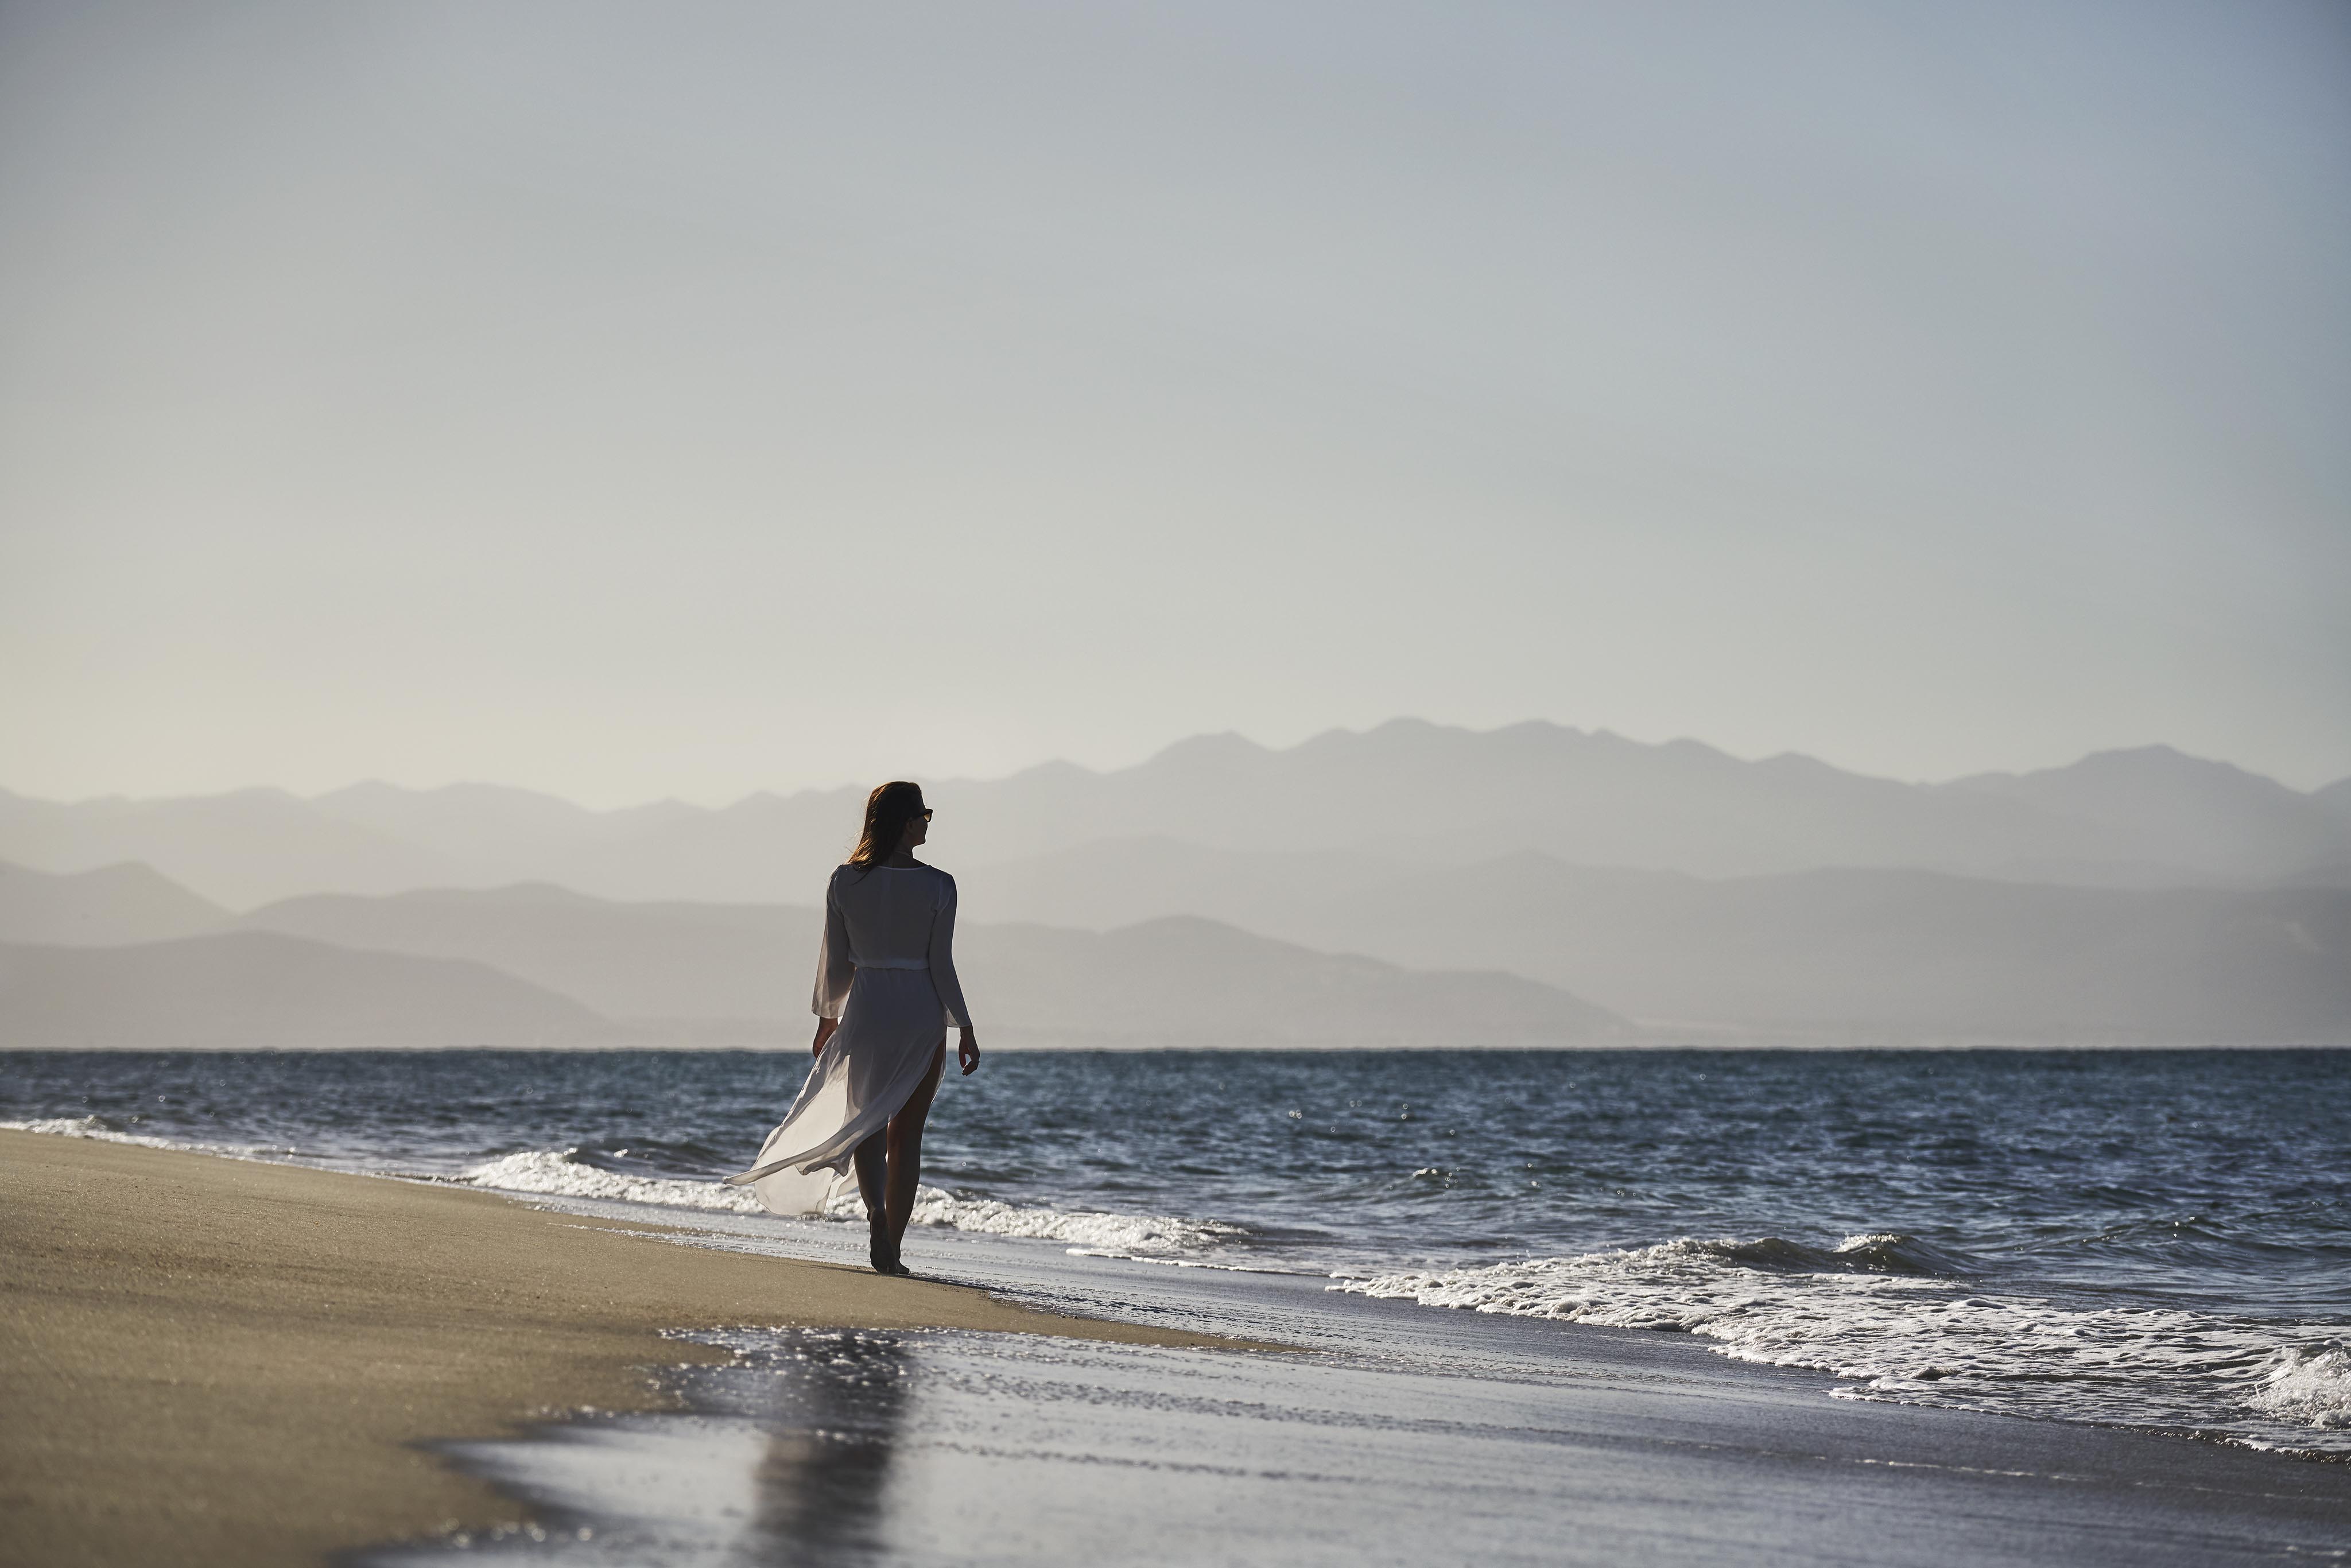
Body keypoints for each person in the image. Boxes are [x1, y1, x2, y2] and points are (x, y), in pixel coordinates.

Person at [726, 781, 980, 1274]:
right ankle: (895, 1250)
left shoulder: (845, 882)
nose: (928, 822)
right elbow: (941, 965)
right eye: (924, 814)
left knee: (866, 1126)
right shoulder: (939, 885)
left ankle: (877, 1216)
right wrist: (965, 1027)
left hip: (867, 1012)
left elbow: (834, 964)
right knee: (906, 1136)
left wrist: (828, 1020)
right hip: (920, 1015)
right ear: (907, 822)